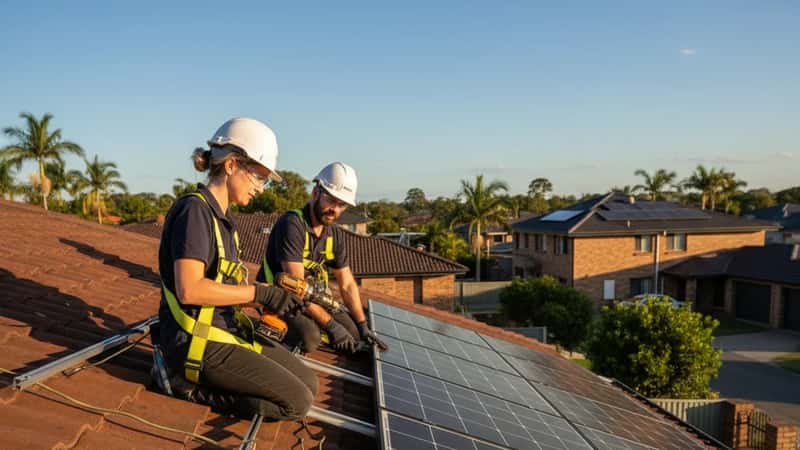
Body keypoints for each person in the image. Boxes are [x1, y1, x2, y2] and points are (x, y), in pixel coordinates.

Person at [156, 117, 317, 421]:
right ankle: (181, 386)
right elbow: (189, 289)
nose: (261, 188)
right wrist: (261, 292)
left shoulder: (224, 218)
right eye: (258, 177)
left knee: (310, 383)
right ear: (231, 165)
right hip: (197, 340)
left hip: (225, 328)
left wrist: (269, 298)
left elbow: (223, 288)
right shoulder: (196, 212)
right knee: (296, 402)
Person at [257, 162, 387, 354]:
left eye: (341, 204)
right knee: (310, 338)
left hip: (312, 299)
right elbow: (296, 288)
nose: (334, 209)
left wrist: (362, 324)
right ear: (316, 193)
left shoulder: (334, 234)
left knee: (355, 336)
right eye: (331, 200)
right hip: (281, 297)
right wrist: (331, 326)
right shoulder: (292, 225)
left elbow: (347, 284)